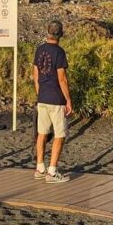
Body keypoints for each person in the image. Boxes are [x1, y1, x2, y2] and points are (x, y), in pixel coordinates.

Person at [33, 19, 73, 184]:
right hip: (56, 98)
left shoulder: (40, 50)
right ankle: (52, 171)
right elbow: (62, 78)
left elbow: (35, 74)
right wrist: (68, 100)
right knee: (59, 135)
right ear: (60, 34)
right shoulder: (59, 52)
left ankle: (40, 167)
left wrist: (39, 92)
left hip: (42, 97)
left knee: (42, 133)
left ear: (47, 32)